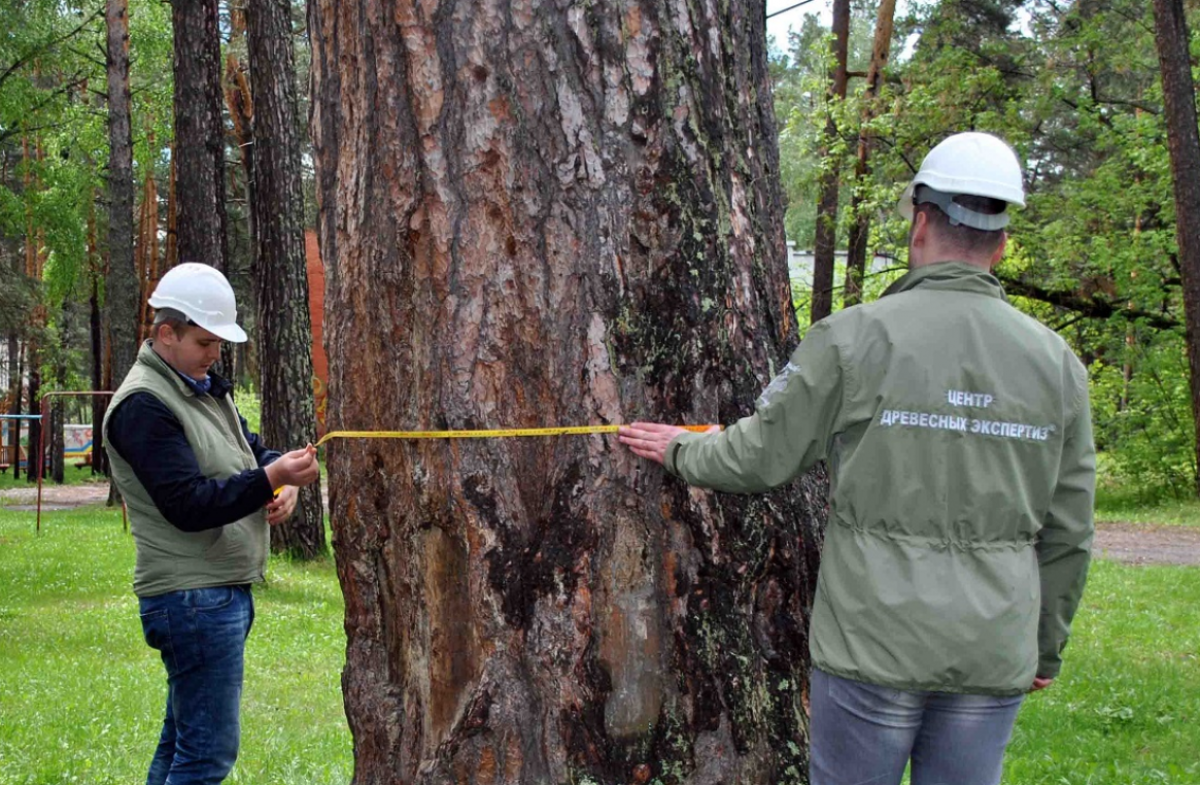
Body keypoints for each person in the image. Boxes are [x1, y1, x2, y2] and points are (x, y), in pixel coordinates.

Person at [619, 132, 1095, 785]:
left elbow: (759, 456)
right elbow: (1070, 530)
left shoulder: (851, 339)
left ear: (921, 221)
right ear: (1003, 242)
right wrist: (1044, 644)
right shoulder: (1057, 366)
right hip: (992, 649)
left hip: (873, 640)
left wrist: (678, 446)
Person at [103, 262, 321, 785]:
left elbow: (249, 453)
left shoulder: (201, 386)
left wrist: (283, 481)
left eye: (219, 343)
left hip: (212, 595)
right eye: (204, 342)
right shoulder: (143, 406)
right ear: (166, 335)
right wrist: (269, 476)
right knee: (206, 758)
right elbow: (188, 505)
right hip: (190, 598)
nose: (215, 353)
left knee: (182, 744)